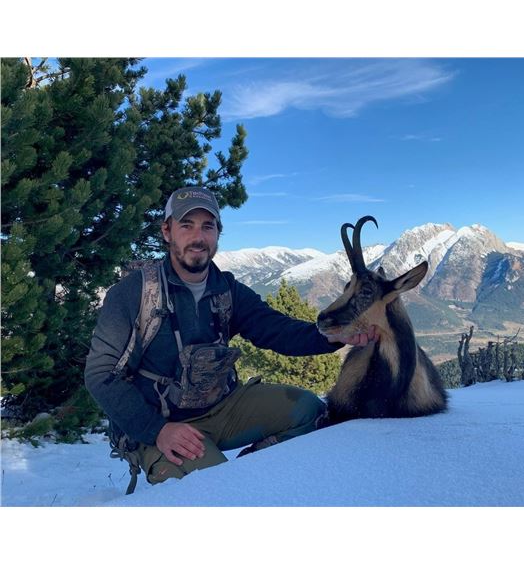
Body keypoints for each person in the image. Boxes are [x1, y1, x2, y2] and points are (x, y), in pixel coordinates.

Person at [85, 187, 378, 487]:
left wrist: (334, 335)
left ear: (218, 234)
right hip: (160, 422)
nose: (198, 237)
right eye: (186, 225)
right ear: (167, 231)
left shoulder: (226, 289)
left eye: (207, 226)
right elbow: (100, 374)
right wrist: (156, 430)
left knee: (310, 411)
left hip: (223, 406)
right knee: (217, 488)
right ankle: (233, 481)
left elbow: (278, 330)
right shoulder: (134, 293)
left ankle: (252, 473)